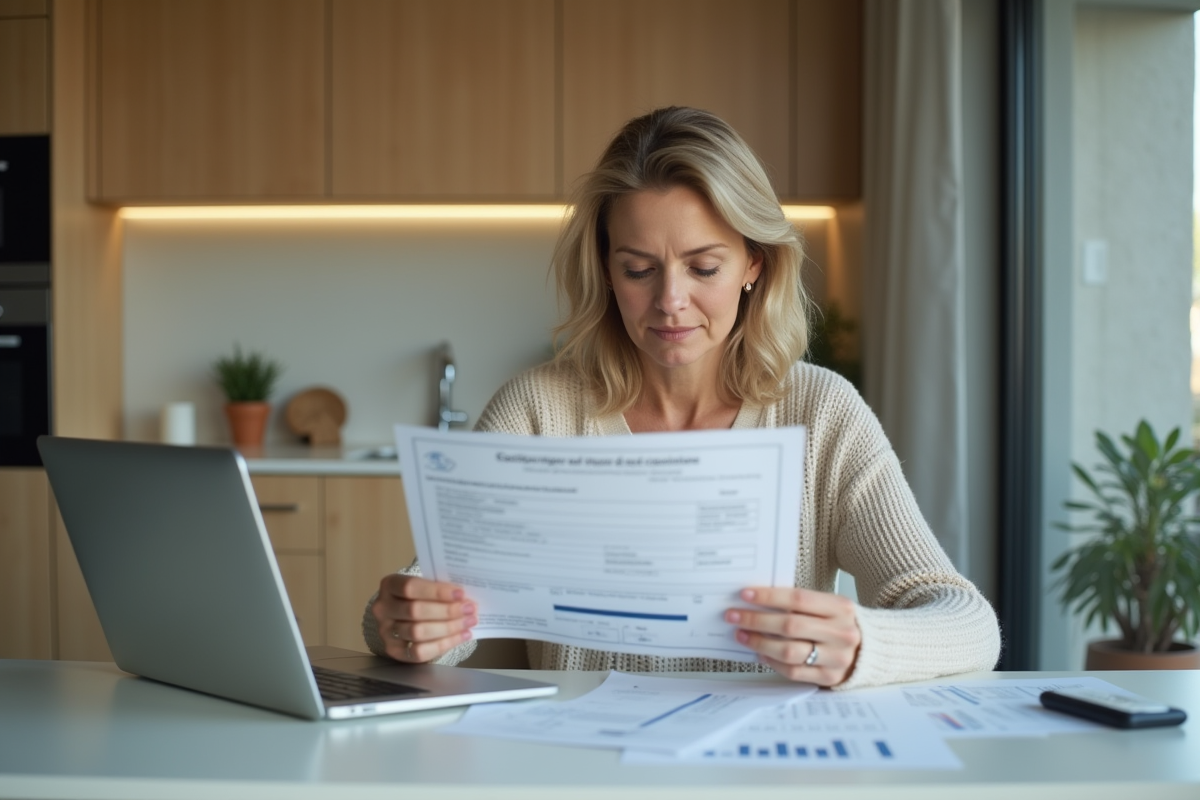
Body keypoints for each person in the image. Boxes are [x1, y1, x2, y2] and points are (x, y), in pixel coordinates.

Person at [365, 106, 1001, 689]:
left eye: (703, 267)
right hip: (579, 769)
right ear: (607, 271)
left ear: (755, 263)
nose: (670, 301)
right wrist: (400, 624)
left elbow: (967, 622)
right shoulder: (539, 410)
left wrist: (862, 643)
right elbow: (434, 605)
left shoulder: (821, 413)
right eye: (638, 269)